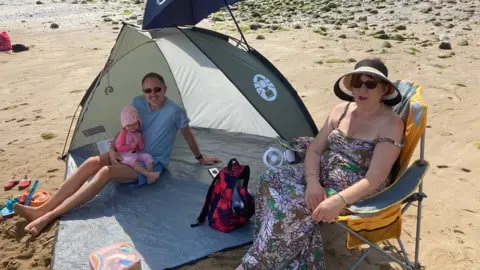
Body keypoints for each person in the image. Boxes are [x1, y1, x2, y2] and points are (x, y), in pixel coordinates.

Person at [237, 57, 405, 269]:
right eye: (357, 83)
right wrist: (313, 183)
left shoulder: (390, 123)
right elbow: (315, 150)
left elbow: (376, 177)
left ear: (384, 90)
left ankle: (257, 263)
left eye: (370, 84)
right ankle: (279, 250)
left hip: (356, 190)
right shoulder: (340, 111)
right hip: (323, 173)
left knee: (288, 205)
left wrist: (339, 200)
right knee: (270, 178)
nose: (362, 89)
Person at [14, 72, 221, 236]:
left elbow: (187, 134)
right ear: (143, 91)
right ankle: (43, 208)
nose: (153, 94)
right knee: (91, 162)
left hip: (150, 163)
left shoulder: (175, 111)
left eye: (157, 89)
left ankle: (49, 216)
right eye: (148, 90)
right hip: (128, 151)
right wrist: (113, 149)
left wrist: (200, 158)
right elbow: (126, 128)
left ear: (165, 89)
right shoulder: (138, 102)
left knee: (106, 172)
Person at [114, 105, 160, 184]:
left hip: (135, 154)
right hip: (124, 156)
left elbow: (141, 147)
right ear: (124, 126)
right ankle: (147, 174)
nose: (132, 127)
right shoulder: (123, 133)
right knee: (133, 161)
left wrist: (139, 142)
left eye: (134, 124)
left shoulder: (137, 133)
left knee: (147, 156)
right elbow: (119, 147)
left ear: (138, 122)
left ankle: (150, 174)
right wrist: (132, 145)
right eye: (129, 125)